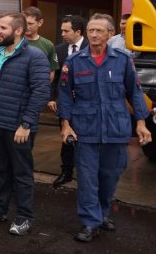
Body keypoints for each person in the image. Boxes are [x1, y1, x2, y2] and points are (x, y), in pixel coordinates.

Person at [58, 13, 152, 242]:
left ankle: (102, 212)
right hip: (86, 128)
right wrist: (65, 125)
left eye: (99, 30)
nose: (94, 34)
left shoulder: (122, 59)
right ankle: (90, 222)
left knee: (110, 176)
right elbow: (64, 96)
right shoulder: (74, 61)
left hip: (116, 128)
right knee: (88, 178)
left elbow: (135, 93)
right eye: (91, 30)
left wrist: (141, 121)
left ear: (111, 34)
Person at [0, 12, 50, 236]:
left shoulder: (35, 56)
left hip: (18, 127)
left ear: (18, 31)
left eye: (3, 28)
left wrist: (26, 124)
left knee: (21, 173)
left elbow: (41, 92)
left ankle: (24, 217)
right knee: (0, 169)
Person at [49, 15, 88, 188]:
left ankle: (86, 174)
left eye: (66, 30)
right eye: (61, 30)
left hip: (86, 104)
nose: (63, 33)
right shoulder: (59, 50)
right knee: (66, 138)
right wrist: (52, 97)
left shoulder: (91, 48)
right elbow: (55, 76)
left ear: (78, 31)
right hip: (65, 103)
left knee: (86, 140)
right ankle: (66, 172)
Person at [22, 6, 59, 81]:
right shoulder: (15, 41)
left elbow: (51, 72)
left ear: (40, 22)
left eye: (30, 23)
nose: (27, 27)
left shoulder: (49, 45)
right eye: (25, 23)